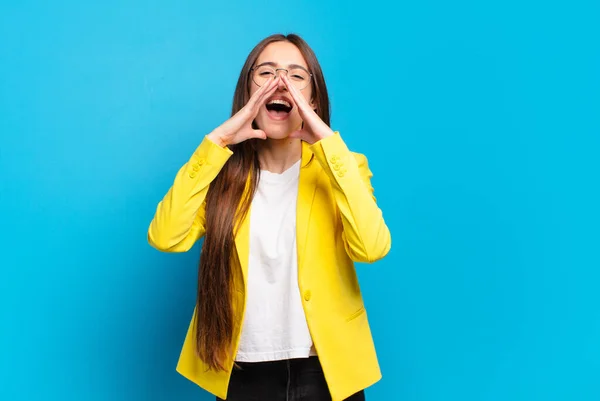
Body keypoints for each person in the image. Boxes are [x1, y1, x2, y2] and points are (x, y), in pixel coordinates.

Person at [147, 33, 391, 401]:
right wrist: (217, 143)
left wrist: (328, 145)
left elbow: (371, 248)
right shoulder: (219, 174)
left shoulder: (344, 168)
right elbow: (166, 236)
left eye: (296, 75)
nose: (280, 82)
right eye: (266, 73)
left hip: (325, 373)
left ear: (313, 98)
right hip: (242, 374)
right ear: (248, 94)